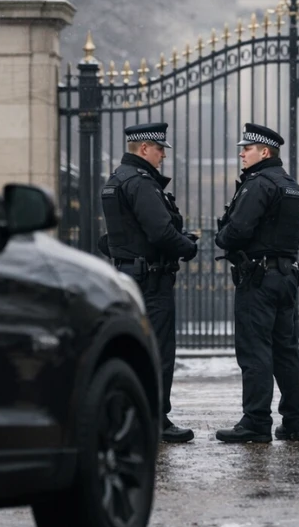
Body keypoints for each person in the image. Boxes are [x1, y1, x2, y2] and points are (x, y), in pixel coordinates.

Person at [100, 122, 199, 443]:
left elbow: (115, 238)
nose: (162, 157)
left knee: (133, 349)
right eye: (159, 150)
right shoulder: (142, 183)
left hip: (129, 276)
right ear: (144, 148)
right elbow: (159, 232)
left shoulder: (116, 180)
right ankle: (156, 418)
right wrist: (188, 246)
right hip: (151, 281)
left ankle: (130, 414)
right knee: (158, 351)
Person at [214, 123, 299, 443]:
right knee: (285, 350)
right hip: (284, 276)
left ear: (265, 151)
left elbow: (238, 229)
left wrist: (222, 237)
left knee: (255, 350)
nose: (242, 153)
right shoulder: (292, 185)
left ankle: (256, 421)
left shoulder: (258, 183)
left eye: (248, 149)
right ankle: (295, 420)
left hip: (258, 277)